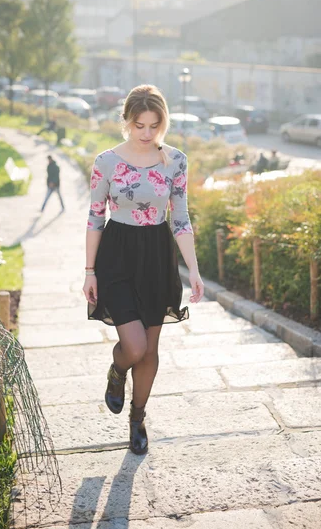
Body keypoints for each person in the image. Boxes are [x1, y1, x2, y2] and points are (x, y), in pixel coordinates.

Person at [83, 84, 204, 455]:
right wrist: (89, 271)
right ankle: (117, 370)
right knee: (133, 346)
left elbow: (180, 219)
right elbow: (94, 216)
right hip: (116, 255)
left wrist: (194, 272)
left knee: (150, 349)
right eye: (140, 125)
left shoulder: (175, 161)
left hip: (156, 255)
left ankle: (138, 418)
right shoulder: (106, 162)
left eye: (155, 125)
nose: (148, 133)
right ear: (127, 122)